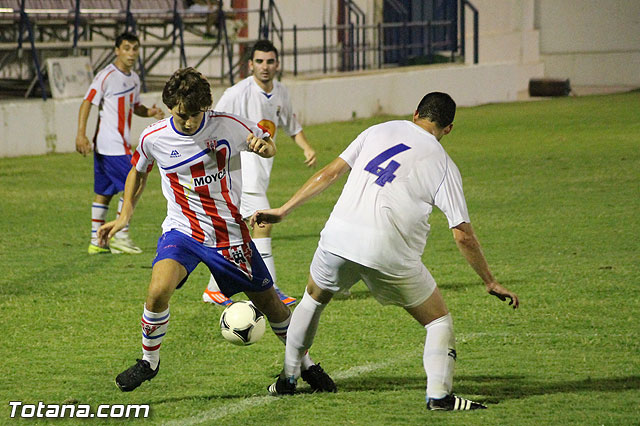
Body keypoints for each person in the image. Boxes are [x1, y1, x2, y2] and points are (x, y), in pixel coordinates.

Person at [251, 92, 520, 410]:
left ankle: (288, 377)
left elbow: (330, 173)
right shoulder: (443, 164)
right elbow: (463, 235)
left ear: (416, 112)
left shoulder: (377, 130)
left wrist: (284, 209)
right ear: (448, 128)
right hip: (389, 250)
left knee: (313, 298)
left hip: (339, 236)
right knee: (438, 322)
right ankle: (439, 396)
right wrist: (489, 281)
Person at [97, 67, 335, 393]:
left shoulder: (227, 125)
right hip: (183, 232)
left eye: (196, 114)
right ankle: (148, 362)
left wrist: (264, 147)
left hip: (228, 234)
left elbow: (266, 143)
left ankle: (305, 365)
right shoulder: (153, 138)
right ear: (170, 107)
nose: (191, 121)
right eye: (183, 115)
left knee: (272, 306)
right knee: (157, 291)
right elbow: (138, 172)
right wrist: (125, 215)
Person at [202, 39, 317, 307]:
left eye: (270, 61)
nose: (265, 67)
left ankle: (214, 289)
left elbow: (290, 124)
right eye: (260, 62)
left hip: (260, 172)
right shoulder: (237, 92)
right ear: (250, 64)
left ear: (277, 64)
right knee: (263, 222)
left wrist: (306, 147)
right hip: (241, 170)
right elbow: (213, 119)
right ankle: (271, 288)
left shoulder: (280, 92)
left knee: (237, 231)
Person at [76, 32, 165, 255]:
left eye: (135, 48)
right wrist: (81, 134)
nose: (131, 53)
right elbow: (87, 102)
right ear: (117, 50)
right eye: (126, 48)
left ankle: (97, 241)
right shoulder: (106, 75)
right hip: (110, 143)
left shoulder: (134, 78)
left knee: (104, 192)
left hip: (113, 144)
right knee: (134, 185)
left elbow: (135, 106)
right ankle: (120, 235)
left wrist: (150, 111)